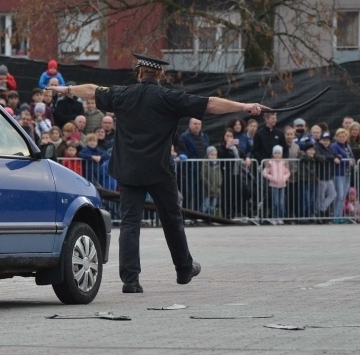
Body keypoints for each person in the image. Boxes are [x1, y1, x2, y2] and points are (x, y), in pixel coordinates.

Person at [52, 53, 265, 293]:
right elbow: (210, 103)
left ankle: (130, 279)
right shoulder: (169, 97)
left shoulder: (122, 95)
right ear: (160, 75)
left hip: (129, 169)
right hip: (159, 170)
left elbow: (91, 90)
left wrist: (66, 88)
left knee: (130, 223)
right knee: (172, 220)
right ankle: (184, 269)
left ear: (140, 73)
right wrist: (245, 107)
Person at [330, 128, 355, 223]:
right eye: (340, 136)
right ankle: (336, 216)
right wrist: (348, 161)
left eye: (344, 136)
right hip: (338, 174)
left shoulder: (347, 146)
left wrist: (352, 161)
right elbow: (337, 157)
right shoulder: (334, 146)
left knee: (344, 196)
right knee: (339, 195)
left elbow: (351, 157)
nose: (342, 138)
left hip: (347, 173)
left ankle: (339, 215)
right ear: (336, 137)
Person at [262, 145, 290, 225]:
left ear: (281, 154)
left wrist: (284, 178)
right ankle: (273, 217)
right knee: (275, 202)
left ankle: (279, 217)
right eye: (275, 153)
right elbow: (264, 173)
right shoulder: (269, 162)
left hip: (282, 185)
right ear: (273, 154)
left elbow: (288, 172)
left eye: (279, 153)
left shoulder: (284, 162)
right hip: (273, 185)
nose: (277, 155)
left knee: (281, 202)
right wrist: (272, 178)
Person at [314, 132, 336, 221]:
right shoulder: (317, 148)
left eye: (328, 140)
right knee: (320, 197)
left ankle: (322, 210)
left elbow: (335, 155)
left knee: (333, 194)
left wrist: (337, 156)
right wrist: (332, 158)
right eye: (324, 140)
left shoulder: (330, 148)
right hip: (321, 176)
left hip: (329, 176)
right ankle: (317, 213)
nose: (326, 142)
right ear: (320, 140)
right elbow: (320, 157)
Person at [201, 146, 222, 216]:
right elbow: (203, 176)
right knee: (206, 204)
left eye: (215, 155)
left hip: (216, 189)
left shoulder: (217, 164)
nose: (213, 157)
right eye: (211, 155)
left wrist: (219, 184)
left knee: (213, 205)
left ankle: (212, 217)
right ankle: (203, 216)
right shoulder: (205, 164)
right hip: (208, 189)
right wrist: (209, 185)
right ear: (208, 155)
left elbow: (220, 176)